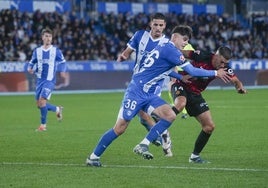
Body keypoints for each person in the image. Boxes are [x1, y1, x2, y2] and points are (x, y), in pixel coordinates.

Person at [86, 25, 231, 167]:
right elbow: (192, 71)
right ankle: (93, 157)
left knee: (170, 115)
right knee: (119, 128)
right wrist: (215, 73)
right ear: (175, 37)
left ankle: (143, 144)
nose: (186, 44)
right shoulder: (172, 50)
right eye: (184, 40)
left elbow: (162, 68)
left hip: (148, 93)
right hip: (136, 91)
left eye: (188, 41)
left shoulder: (164, 45)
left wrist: (179, 77)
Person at [169, 46, 247, 163]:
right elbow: (180, 53)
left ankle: (194, 157)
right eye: (221, 62)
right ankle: (161, 121)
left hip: (195, 94)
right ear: (215, 55)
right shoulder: (202, 55)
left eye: (225, 63)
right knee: (180, 103)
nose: (222, 66)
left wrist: (239, 88)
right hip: (182, 83)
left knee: (209, 127)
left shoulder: (225, 68)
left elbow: (236, 80)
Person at [117, 12, 173, 156]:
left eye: (161, 25)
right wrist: (124, 56)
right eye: (155, 24)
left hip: (154, 86)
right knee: (142, 117)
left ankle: (159, 137)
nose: (158, 28)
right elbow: (128, 51)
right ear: (151, 24)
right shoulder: (140, 36)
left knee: (153, 115)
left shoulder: (166, 44)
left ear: (165, 26)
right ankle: (159, 134)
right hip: (138, 81)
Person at [27, 28, 67, 131]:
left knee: (42, 101)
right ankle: (57, 109)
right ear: (42, 37)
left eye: (49, 36)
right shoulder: (37, 51)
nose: (48, 38)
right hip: (40, 80)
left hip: (49, 81)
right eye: (46, 36)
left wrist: (62, 71)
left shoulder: (55, 51)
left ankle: (43, 126)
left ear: (52, 38)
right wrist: (29, 67)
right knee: (39, 105)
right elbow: (32, 61)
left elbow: (63, 62)